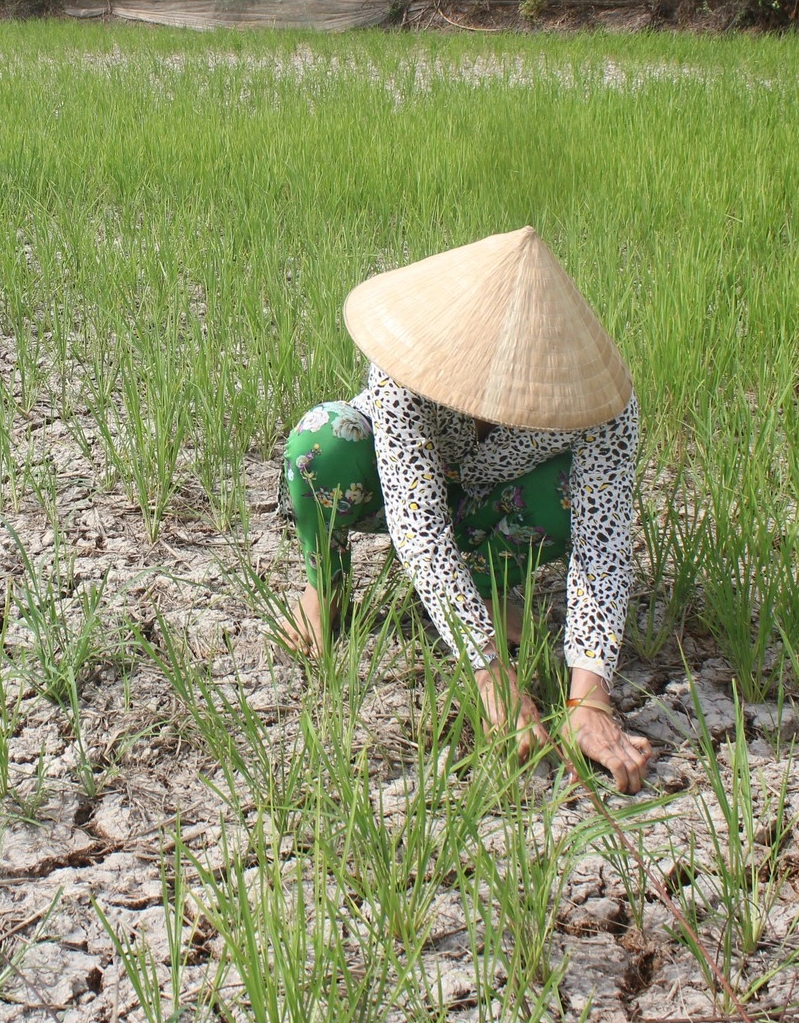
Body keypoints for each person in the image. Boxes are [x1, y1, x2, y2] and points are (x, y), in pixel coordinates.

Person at [278, 226, 655, 793]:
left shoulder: (596, 403)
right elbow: (420, 527)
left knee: (570, 497)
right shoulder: (408, 367)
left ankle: (481, 583)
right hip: (397, 491)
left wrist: (588, 698)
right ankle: (325, 587)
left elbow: (603, 542)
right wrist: (491, 674)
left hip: (496, 505)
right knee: (320, 444)